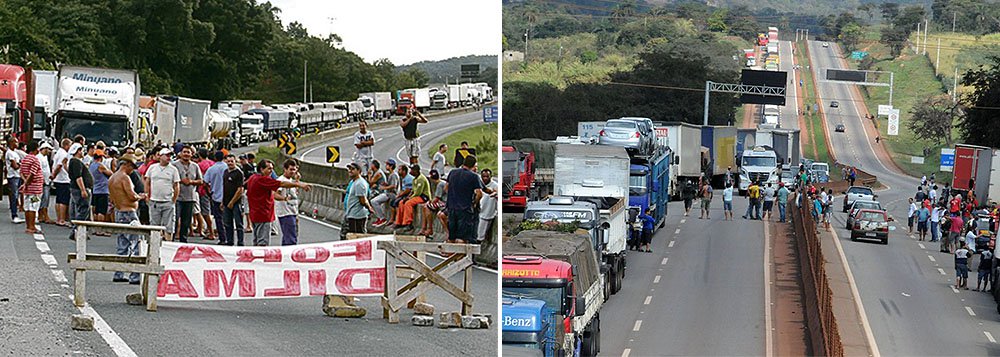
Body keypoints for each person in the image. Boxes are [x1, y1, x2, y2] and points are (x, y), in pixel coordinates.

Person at [245, 159, 311, 246]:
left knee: (258, 240)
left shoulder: (253, 178)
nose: (271, 171)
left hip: (256, 214)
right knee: (263, 242)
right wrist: (299, 185)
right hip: (264, 214)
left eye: (272, 168)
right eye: (269, 169)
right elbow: (281, 185)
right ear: (261, 169)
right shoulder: (262, 180)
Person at [108, 154, 145, 284]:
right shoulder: (125, 178)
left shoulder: (112, 178)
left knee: (122, 244)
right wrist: (140, 197)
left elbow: (112, 198)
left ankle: (119, 273)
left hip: (119, 211)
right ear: (126, 165)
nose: (133, 170)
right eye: (132, 167)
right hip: (129, 212)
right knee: (136, 243)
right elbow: (131, 196)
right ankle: (135, 276)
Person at [445, 155, 483, 243]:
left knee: (452, 236)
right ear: (474, 165)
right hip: (465, 209)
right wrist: (474, 203)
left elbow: (446, 188)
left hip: (451, 207)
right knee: (462, 237)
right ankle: (460, 256)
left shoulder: (452, 172)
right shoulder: (474, 176)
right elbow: (479, 193)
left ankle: (451, 255)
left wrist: (453, 196)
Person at [144, 148, 180, 241]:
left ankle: (168, 244)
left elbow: (176, 185)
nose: (169, 157)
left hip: (168, 201)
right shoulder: (152, 168)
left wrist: (174, 200)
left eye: (169, 155)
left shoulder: (173, 169)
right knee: (154, 225)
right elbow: (147, 181)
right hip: (154, 200)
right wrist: (147, 195)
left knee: (169, 225)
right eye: (166, 155)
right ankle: (154, 245)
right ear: (160, 156)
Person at [66, 143, 93, 240]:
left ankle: (78, 231)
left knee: (78, 209)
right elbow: (78, 177)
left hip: (76, 188)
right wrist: (83, 189)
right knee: (83, 209)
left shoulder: (73, 162)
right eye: (81, 150)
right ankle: (77, 231)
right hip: (79, 189)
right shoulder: (76, 162)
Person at [342, 162, 375, 239]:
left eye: (353, 169)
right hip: (352, 214)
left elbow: (363, 200)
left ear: (359, 171)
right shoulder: (354, 182)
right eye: (349, 169)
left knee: (358, 238)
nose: (350, 171)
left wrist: (369, 207)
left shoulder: (359, 184)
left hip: (357, 216)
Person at [393, 164, 429, 229]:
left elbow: (418, 193)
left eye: (412, 170)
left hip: (423, 196)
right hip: (415, 195)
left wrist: (409, 198)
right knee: (401, 202)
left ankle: (408, 223)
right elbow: (412, 190)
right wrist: (408, 197)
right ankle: (399, 222)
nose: (410, 172)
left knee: (408, 203)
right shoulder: (415, 179)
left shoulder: (421, 179)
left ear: (416, 171)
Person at [219, 154, 245, 246]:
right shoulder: (225, 172)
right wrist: (223, 201)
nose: (230, 163)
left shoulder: (238, 173)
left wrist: (232, 202)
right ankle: (229, 241)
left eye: (232, 161)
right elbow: (224, 187)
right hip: (226, 202)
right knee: (227, 223)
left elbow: (240, 190)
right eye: (228, 161)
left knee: (239, 224)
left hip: (236, 203)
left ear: (235, 161)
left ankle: (240, 242)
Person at [275, 159, 302, 245]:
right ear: (285, 169)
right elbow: (275, 195)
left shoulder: (292, 181)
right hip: (285, 213)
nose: (293, 172)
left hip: (293, 211)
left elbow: (294, 194)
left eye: (294, 169)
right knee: (291, 239)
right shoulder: (281, 180)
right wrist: (284, 198)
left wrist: (297, 181)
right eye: (290, 169)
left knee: (289, 236)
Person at [19, 141, 44, 234]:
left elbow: (21, 172)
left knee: (27, 207)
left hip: (28, 189)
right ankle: (32, 227)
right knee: (33, 207)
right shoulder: (35, 160)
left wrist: (25, 182)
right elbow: (32, 173)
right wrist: (27, 182)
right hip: (35, 188)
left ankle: (28, 226)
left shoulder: (25, 158)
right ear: (35, 149)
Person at [370, 159, 399, 227]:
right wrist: (386, 184)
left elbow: (394, 186)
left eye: (387, 165)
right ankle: (379, 218)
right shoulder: (391, 174)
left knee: (374, 201)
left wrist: (384, 188)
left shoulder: (394, 175)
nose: (386, 166)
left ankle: (382, 218)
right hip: (388, 193)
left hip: (391, 194)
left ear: (391, 166)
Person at [88, 149, 113, 224]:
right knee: (101, 211)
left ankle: (96, 228)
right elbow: (110, 173)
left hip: (95, 189)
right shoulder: (100, 165)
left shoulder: (91, 165)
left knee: (96, 210)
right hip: (103, 190)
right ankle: (100, 229)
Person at [195, 148, 215, 240]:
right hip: (213, 190)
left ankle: (211, 231)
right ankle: (210, 229)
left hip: (203, 190)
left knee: (205, 212)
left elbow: (202, 179)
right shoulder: (212, 163)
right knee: (211, 211)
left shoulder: (199, 165)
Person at [52, 138, 72, 226]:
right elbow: (59, 166)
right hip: (63, 179)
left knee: (58, 199)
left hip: (58, 179)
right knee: (64, 200)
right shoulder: (64, 154)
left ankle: (59, 218)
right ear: (66, 145)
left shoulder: (58, 152)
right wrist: (54, 175)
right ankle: (62, 219)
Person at [34, 142, 54, 225]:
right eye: (48, 149)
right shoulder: (39, 158)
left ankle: (41, 215)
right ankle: (44, 215)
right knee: (44, 198)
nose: (49, 151)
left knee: (45, 198)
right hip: (43, 182)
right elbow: (40, 170)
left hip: (46, 181)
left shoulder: (44, 157)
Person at [421, 169, 446, 236]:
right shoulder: (442, 182)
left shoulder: (440, 185)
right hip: (442, 201)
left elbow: (437, 198)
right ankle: (424, 228)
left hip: (444, 202)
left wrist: (430, 202)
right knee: (425, 206)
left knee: (427, 207)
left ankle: (429, 228)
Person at [477, 169, 498, 243]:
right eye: (483, 176)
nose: (485, 178)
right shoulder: (478, 184)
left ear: (490, 177)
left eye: (487, 176)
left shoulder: (495, 186)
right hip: (478, 212)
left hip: (487, 214)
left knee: (480, 236)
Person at [5, 136, 23, 223]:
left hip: (17, 176)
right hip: (13, 177)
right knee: (14, 196)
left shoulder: (14, 152)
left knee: (16, 195)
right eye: (16, 142)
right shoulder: (10, 153)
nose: (17, 143)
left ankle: (16, 214)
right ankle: (14, 215)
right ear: (11, 143)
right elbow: (15, 166)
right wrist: (20, 164)